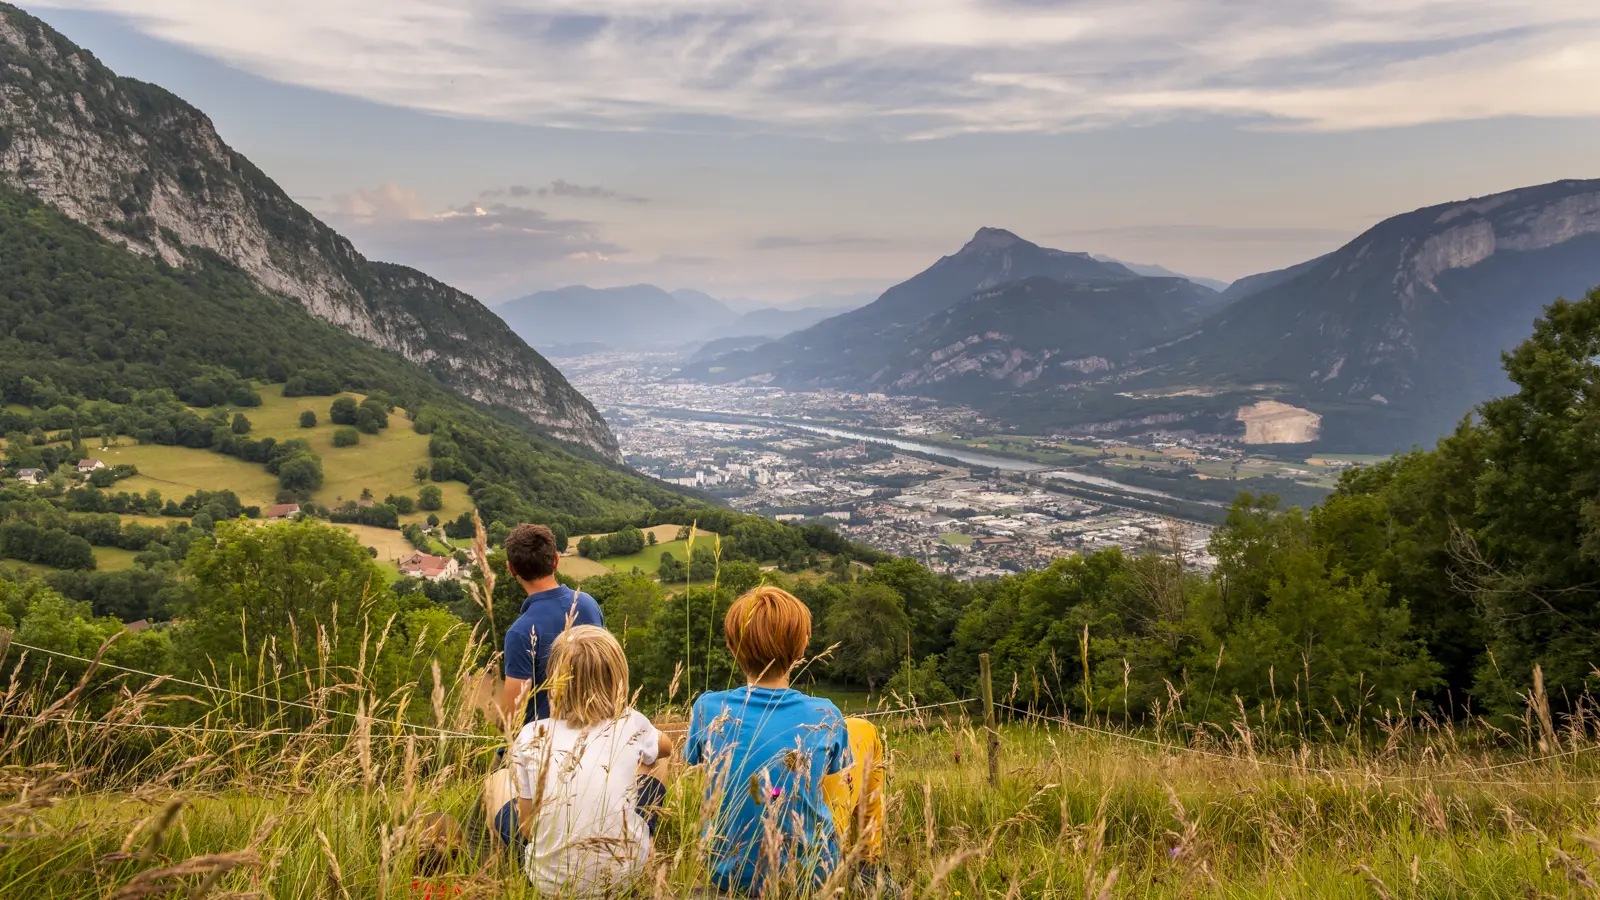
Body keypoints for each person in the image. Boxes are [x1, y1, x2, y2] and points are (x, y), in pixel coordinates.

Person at [682, 585, 888, 896]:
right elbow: (834, 775)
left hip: (727, 875)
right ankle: (869, 868)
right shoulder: (826, 715)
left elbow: (697, 763)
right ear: (803, 647)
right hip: (813, 874)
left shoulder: (707, 708)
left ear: (730, 645)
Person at [483, 625, 674, 895]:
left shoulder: (531, 734)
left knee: (496, 781)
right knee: (656, 759)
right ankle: (644, 844)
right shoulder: (633, 723)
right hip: (623, 876)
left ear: (553, 679)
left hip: (549, 884)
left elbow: (526, 829)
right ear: (618, 678)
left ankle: (508, 860)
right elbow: (667, 749)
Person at [499, 523, 603, 728]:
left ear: (510, 569)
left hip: (542, 747)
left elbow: (510, 718)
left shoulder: (520, 632)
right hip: (595, 732)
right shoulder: (588, 604)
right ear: (556, 560)